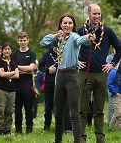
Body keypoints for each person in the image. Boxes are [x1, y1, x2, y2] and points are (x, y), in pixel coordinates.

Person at [40, 13, 95, 143]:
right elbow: (43, 43)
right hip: (59, 76)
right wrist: (55, 35)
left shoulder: (74, 36)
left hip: (72, 76)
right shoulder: (58, 39)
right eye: (65, 23)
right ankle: (57, 140)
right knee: (58, 114)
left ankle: (77, 141)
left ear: (73, 25)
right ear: (60, 25)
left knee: (74, 114)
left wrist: (89, 37)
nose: (67, 25)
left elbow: (81, 40)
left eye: (70, 23)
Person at [78, 4, 121, 143]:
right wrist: (76, 61)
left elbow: (119, 48)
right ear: (88, 14)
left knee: (99, 109)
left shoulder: (107, 32)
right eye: (94, 13)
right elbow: (69, 48)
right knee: (82, 109)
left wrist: (112, 64)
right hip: (84, 73)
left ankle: (100, 138)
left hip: (102, 74)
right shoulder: (80, 31)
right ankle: (81, 138)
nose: (97, 16)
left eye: (99, 14)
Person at [13, 32, 36, 134]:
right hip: (17, 83)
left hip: (28, 83)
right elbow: (13, 70)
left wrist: (18, 67)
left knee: (28, 108)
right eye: (21, 40)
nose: (23, 42)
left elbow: (31, 68)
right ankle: (18, 130)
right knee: (17, 109)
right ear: (18, 41)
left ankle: (29, 129)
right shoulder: (14, 54)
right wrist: (24, 69)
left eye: (24, 40)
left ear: (28, 41)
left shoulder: (31, 53)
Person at [0, 43, 19, 135]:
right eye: (5, 49)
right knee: (0, 110)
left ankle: (7, 129)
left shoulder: (14, 62)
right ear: (2, 51)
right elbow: (1, 74)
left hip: (12, 90)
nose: (7, 51)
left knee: (9, 110)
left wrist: (7, 74)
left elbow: (17, 76)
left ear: (11, 51)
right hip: (1, 89)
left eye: (9, 49)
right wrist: (12, 72)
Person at [107, 62, 121, 131]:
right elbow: (109, 84)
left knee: (120, 113)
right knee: (117, 112)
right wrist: (115, 92)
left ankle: (119, 127)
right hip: (117, 95)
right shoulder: (113, 72)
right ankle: (111, 126)